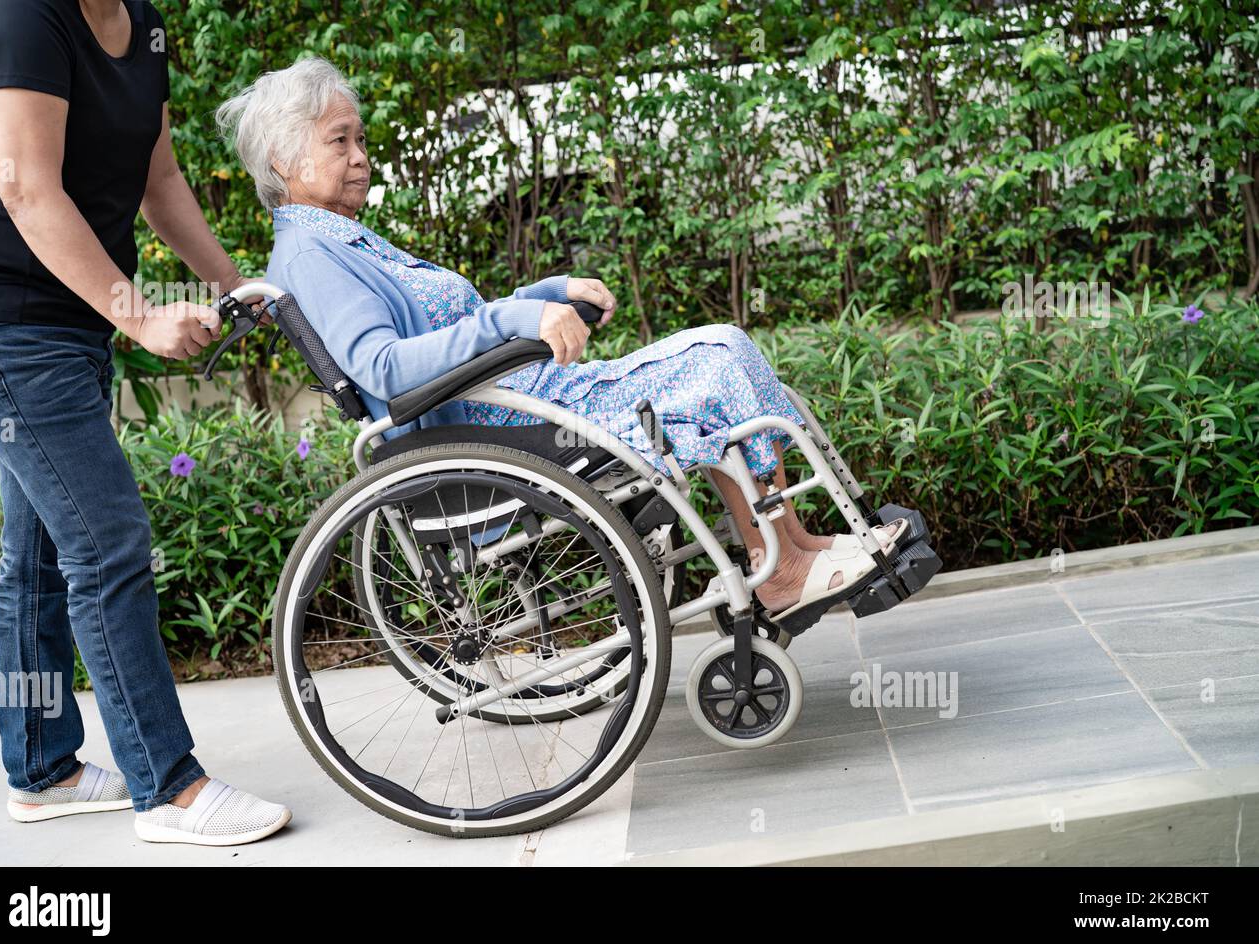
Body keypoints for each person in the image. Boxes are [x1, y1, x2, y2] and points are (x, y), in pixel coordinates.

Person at [218, 56, 907, 626]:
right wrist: (518, 321)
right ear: (284, 160)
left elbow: (454, 328)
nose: (362, 157)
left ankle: (791, 544)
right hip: (502, 431)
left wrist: (547, 295)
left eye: (360, 139)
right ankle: (779, 569)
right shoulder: (312, 256)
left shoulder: (340, 239)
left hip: (518, 406)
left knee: (716, 357)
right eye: (341, 141)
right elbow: (389, 369)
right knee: (717, 357)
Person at [0, 0, 289, 845]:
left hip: (65, 325)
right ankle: (168, 787)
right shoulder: (22, 17)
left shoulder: (142, 24)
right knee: (107, 543)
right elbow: (23, 186)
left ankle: (41, 769)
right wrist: (139, 315)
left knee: (35, 559)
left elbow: (160, 181)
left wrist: (230, 285)